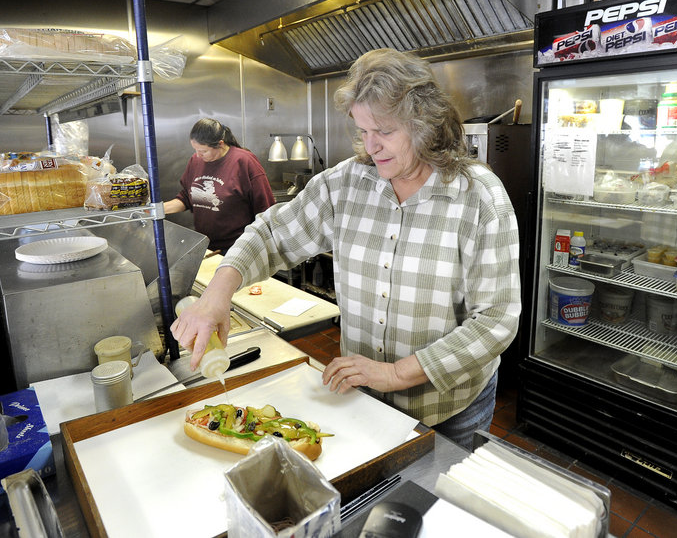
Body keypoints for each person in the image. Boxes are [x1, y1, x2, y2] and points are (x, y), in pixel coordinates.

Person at [170, 49, 521, 449]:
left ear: (424, 123)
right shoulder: (346, 184)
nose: (371, 147)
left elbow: (496, 318)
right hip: (365, 400)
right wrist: (217, 295)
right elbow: (270, 233)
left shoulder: (478, 197)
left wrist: (396, 373)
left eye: (384, 131)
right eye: (363, 131)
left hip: (450, 407)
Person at [163, 118, 276, 254]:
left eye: (203, 151)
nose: (198, 155)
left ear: (220, 144)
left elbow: (265, 208)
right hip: (206, 247)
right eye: (196, 150)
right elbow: (187, 198)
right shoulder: (195, 161)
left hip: (238, 249)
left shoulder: (244, 161)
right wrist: (158, 209)